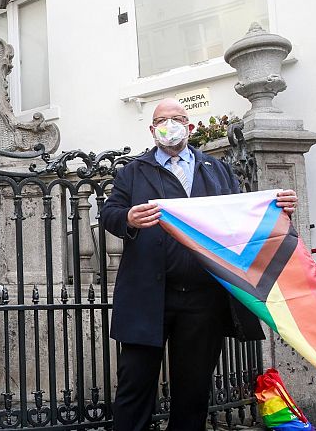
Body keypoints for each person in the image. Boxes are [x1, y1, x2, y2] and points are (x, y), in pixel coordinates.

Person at [100, 98, 297, 430]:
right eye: (162, 120)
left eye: (177, 118)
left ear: (190, 127)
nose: (169, 125)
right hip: (147, 297)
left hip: (203, 298)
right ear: (152, 130)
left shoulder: (217, 169)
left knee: (194, 389)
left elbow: (239, 217)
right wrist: (128, 218)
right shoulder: (132, 172)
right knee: (135, 384)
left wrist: (277, 210)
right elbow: (110, 214)